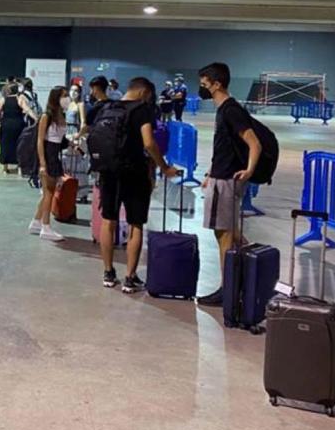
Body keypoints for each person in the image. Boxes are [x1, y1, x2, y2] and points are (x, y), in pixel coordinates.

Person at [95, 77, 179, 290]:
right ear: (144, 93)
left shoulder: (108, 107)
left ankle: (108, 272)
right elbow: (149, 142)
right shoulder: (141, 109)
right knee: (135, 223)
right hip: (134, 173)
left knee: (108, 220)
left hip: (108, 172)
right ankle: (130, 278)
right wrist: (164, 167)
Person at [195, 63, 261, 306]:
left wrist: (249, 170)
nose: (202, 88)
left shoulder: (231, 110)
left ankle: (228, 290)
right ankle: (245, 273)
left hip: (227, 181)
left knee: (224, 233)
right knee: (228, 231)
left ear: (217, 84)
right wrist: (210, 171)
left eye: (204, 84)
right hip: (219, 176)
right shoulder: (222, 110)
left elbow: (254, 143)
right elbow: (224, 147)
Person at [27, 87, 72, 242]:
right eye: (64, 96)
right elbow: (40, 140)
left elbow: (60, 138)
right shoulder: (47, 116)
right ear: (56, 98)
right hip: (47, 155)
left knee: (49, 191)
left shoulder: (62, 115)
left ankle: (36, 222)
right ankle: (46, 227)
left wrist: (71, 143)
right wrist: (42, 164)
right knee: (49, 193)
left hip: (55, 154)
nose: (68, 98)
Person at [0, 83, 35, 174]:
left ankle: (5, 168)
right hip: (18, 124)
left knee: (5, 145)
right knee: (19, 145)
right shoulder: (20, 98)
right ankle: (19, 167)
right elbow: (27, 110)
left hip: (6, 124)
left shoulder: (3, 99)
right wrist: (36, 118)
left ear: (9, 90)